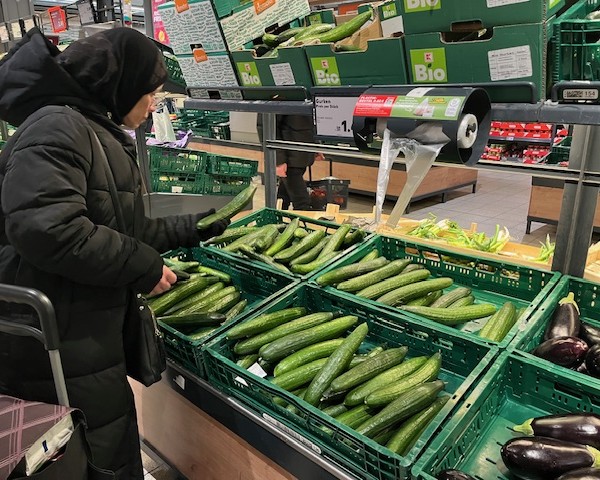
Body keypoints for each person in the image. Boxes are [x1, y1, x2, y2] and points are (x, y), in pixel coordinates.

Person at [0, 28, 228, 479]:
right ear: (119, 86)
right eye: (150, 93)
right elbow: (49, 229)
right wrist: (142, 266)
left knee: (106, 438)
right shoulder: (58, 126)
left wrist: (190, 227)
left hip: (80, 320)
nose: (153, 105)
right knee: (89, 449)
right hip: (56, 334)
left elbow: (116, 222)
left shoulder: (88, 127)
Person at [258, 114, 322, 210]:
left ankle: (276, 216)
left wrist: (315, 146)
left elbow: (310, 123)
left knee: (283, 197)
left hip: (300, 156)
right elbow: (267, 126)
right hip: (289, 158)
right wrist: (278, 160)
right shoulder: (277, 104)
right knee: (302, 202)